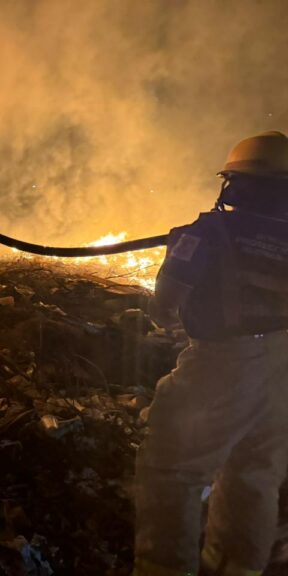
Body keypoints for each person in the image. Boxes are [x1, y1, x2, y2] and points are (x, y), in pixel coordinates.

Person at [134, 131, 288, 576]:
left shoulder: (208, 232)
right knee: (256, 474)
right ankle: (233, 566)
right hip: (283, 369)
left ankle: (162, 568)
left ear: (232, 183)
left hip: (223, 366)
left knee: (171, 469)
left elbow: (163, 308)